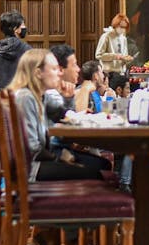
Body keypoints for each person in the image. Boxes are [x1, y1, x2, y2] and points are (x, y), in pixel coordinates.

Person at [8, 49, 104, 181]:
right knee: (95, 173)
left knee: (99, 166)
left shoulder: (41, 96)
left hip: (38, 161)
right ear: (38, 73)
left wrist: (69, 99)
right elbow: (32, 148)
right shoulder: (26, 97)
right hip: (30, 169)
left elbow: (62, 114)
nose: (59, 73)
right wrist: (59, 158)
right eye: (54, 69)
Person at [0, 10, 31, 91]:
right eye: (23, 24)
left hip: (1, 99)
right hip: (22, 99)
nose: (25, 27)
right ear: (16, 29)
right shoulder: (27, 50)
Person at [95, 13, 139, 91]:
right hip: (109, 73)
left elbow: (123, 56)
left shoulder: (123, 38)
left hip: (121, 73)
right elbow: (98, 55)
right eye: (121, 27)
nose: (122, 29)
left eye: (125, 27)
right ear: (115, 25)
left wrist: (126, 59)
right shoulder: (106, 36)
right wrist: (116, 56)